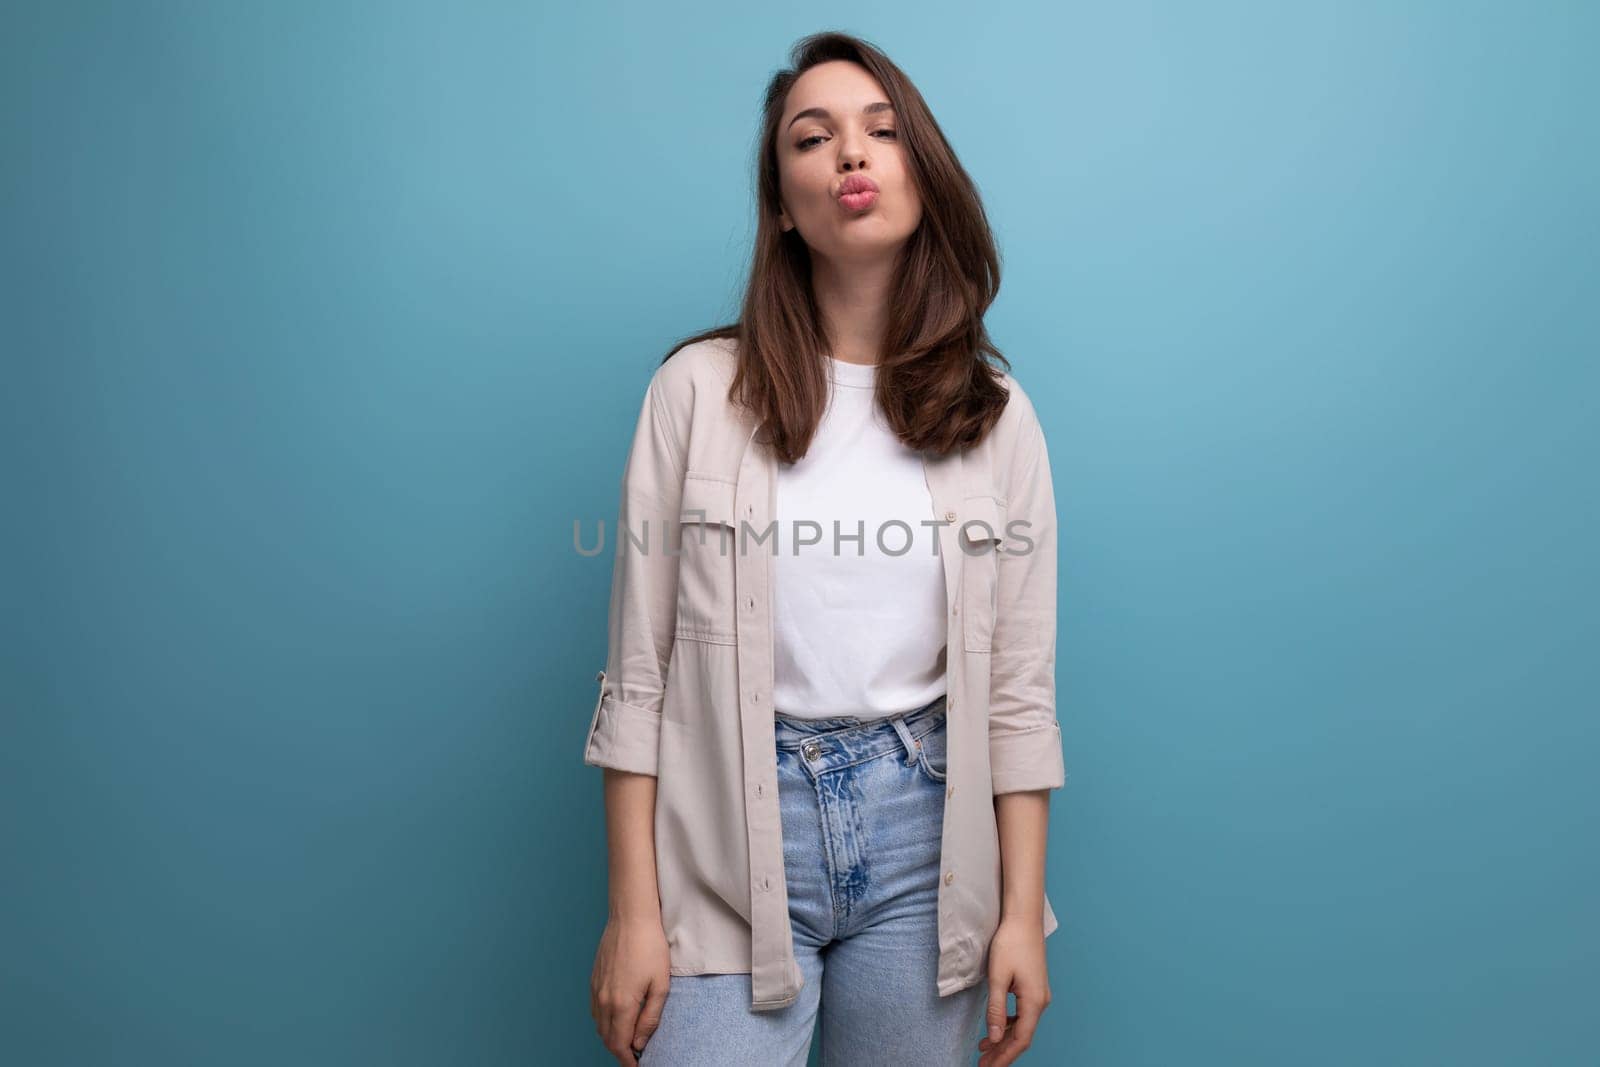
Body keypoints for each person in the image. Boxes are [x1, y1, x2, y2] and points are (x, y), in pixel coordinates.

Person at [583, 31, 1066, 1067]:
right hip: (725, 826)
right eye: (814, 138)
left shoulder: (998, 416)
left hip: (927, 845)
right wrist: (634, 912)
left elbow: (1019, 691)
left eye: (881, 132)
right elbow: (639, 675)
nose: (851, 154)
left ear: (922, 176)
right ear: (780, 204)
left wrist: (1020, 910)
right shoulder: (694, 394)